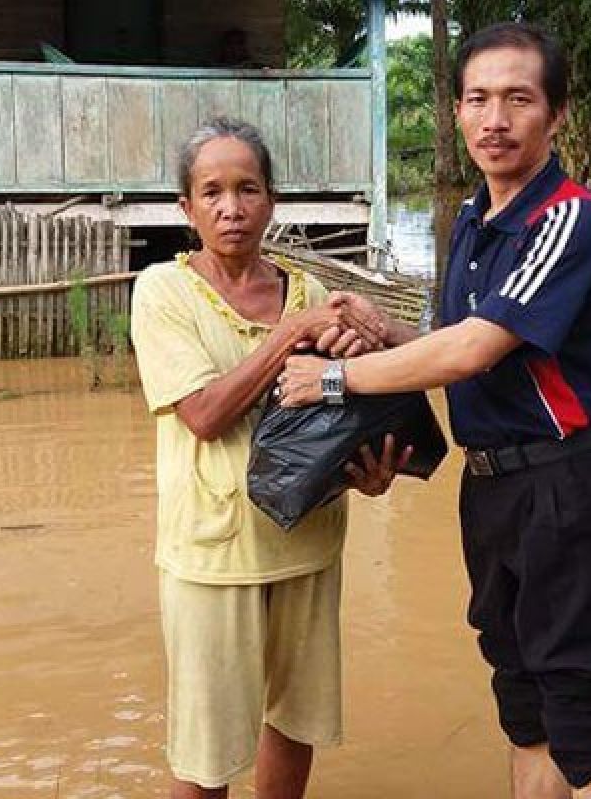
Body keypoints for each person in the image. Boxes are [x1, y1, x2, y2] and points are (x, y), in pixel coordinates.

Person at [277, 23, 591, 799]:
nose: (495, 119)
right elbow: (465, 344)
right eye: (478, 99)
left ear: (556, 114)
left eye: (519, 98)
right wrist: (390, 335)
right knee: (522, 699)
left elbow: (474, 351)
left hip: (568, 489)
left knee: (583, 708)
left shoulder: (572, 220)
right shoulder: (478, 224)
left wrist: (336, 380)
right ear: (454, 112)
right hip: (492, 491)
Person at [130, 118, 408, 799]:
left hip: (308, 541)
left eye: (248, 188)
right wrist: (290, 337)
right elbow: (203, 415)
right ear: (185, 208)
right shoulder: (163, 293)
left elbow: (336, 415)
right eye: (212, 192)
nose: (232, 208)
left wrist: (369, 471)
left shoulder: (309, 296)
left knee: (295, 721)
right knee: (205, 752)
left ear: (272, 200)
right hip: (212, 556)